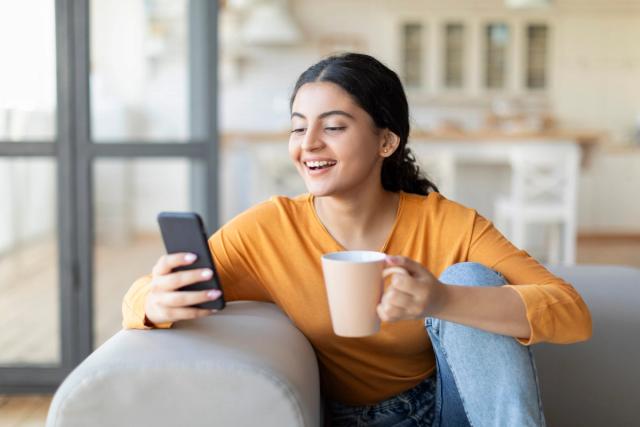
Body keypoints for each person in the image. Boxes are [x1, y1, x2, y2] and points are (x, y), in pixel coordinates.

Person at [122, 53, 592, 426]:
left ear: (386, 143)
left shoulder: (450, 225)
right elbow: (140, 295)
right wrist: (155, 301)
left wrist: (442, 298)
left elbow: (571, 314)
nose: (308, 145)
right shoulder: (268, 229)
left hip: (446, 412)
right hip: (332, 416)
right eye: (298, 126)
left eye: (333, 127)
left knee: (472, 276)